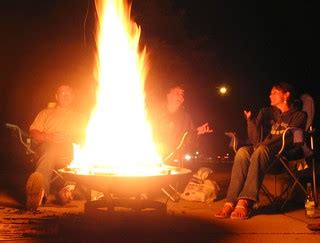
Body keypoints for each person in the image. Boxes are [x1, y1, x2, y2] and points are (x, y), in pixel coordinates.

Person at [215, 82, 307, 219]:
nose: (270, 95)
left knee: (261, 149)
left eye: (274, 92)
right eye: (270, 93)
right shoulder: (266, 112)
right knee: (242, 152)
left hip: (281, 158)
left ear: (286, 95)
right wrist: (251, 121)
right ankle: (231, 201)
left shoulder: (299, 115)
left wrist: (265, 145)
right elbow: (255, 139)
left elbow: (293, 140)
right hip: (261, 156)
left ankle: (246, 200)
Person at [26, 84, 86, 210]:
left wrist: (70, 137)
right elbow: (33, 132)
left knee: (82, 152)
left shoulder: (80, 117)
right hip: (48, 145)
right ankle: (41, 194)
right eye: (62, 93)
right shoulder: (45, 113)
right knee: (51, 151)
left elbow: (87, 136)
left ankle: (68, 191)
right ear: (57, 97)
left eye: (69, 93)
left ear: (73, 97)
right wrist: (50, 137)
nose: (66, 96)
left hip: (71, 148)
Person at [155, 85, 212, 163]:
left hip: (173, 162)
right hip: (152, 158)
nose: (180, 96)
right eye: (177, 93)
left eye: (182, 95)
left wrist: (197, 132)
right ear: (167, 95)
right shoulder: (154, 112)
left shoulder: (185, 117)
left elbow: (188, 142)